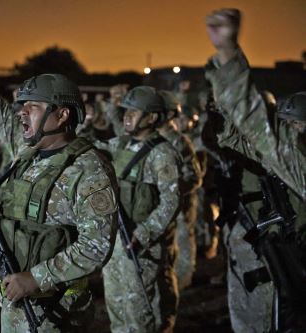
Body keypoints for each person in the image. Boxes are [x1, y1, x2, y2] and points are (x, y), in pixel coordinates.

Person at [0, 24, 118, 332]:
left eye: (32, 107)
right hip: (16, 300)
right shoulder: (25, 150)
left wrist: (35, 278)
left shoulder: (88, 168)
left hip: (57, 308)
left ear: (62, 115)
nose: (21, 114)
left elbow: (96, 246)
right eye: (22, 107)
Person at [96, 86, 181, 332]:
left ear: (152, 117)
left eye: (134, 112)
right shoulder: (120, 144)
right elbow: (92, 146)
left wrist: (144, 233)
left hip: (139, 245)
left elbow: (171, 201)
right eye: (125, 111)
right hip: (116, 245)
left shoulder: (162, 153)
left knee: (140, 315)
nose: (126, 116)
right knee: (117, 311)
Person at [205, 8, 306, 200]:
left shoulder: (297, 159)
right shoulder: (294, 157)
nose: (289, 129)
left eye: (295, 123)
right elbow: (253, 133)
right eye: (284, 123)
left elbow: (260, 125)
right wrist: (222, 116)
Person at [158, 90, 202, 290]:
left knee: (183, 240)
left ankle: (184, 279)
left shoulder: (178, 141)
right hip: (162, 206)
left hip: (181, 204)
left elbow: (194, 177)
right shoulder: (153, 139)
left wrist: (172, 192)